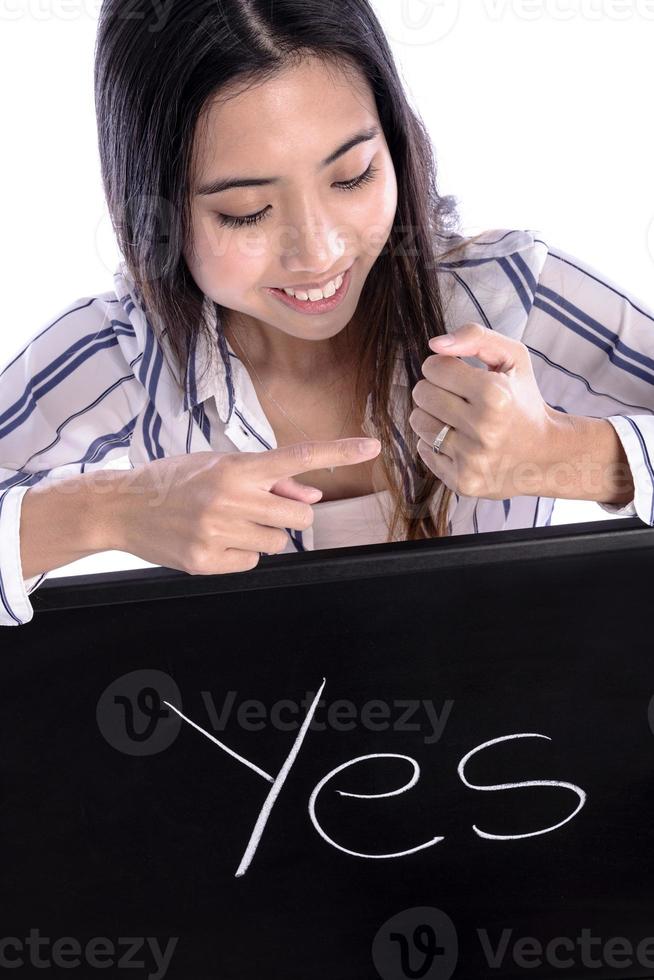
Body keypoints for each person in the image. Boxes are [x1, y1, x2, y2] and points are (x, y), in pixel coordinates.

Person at [1, 0, 652, 628]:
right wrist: (111, 513)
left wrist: (568, 455)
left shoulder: (508, 297)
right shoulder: (120, 357)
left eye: (352, 176)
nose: (318, 252)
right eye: (246, 210)